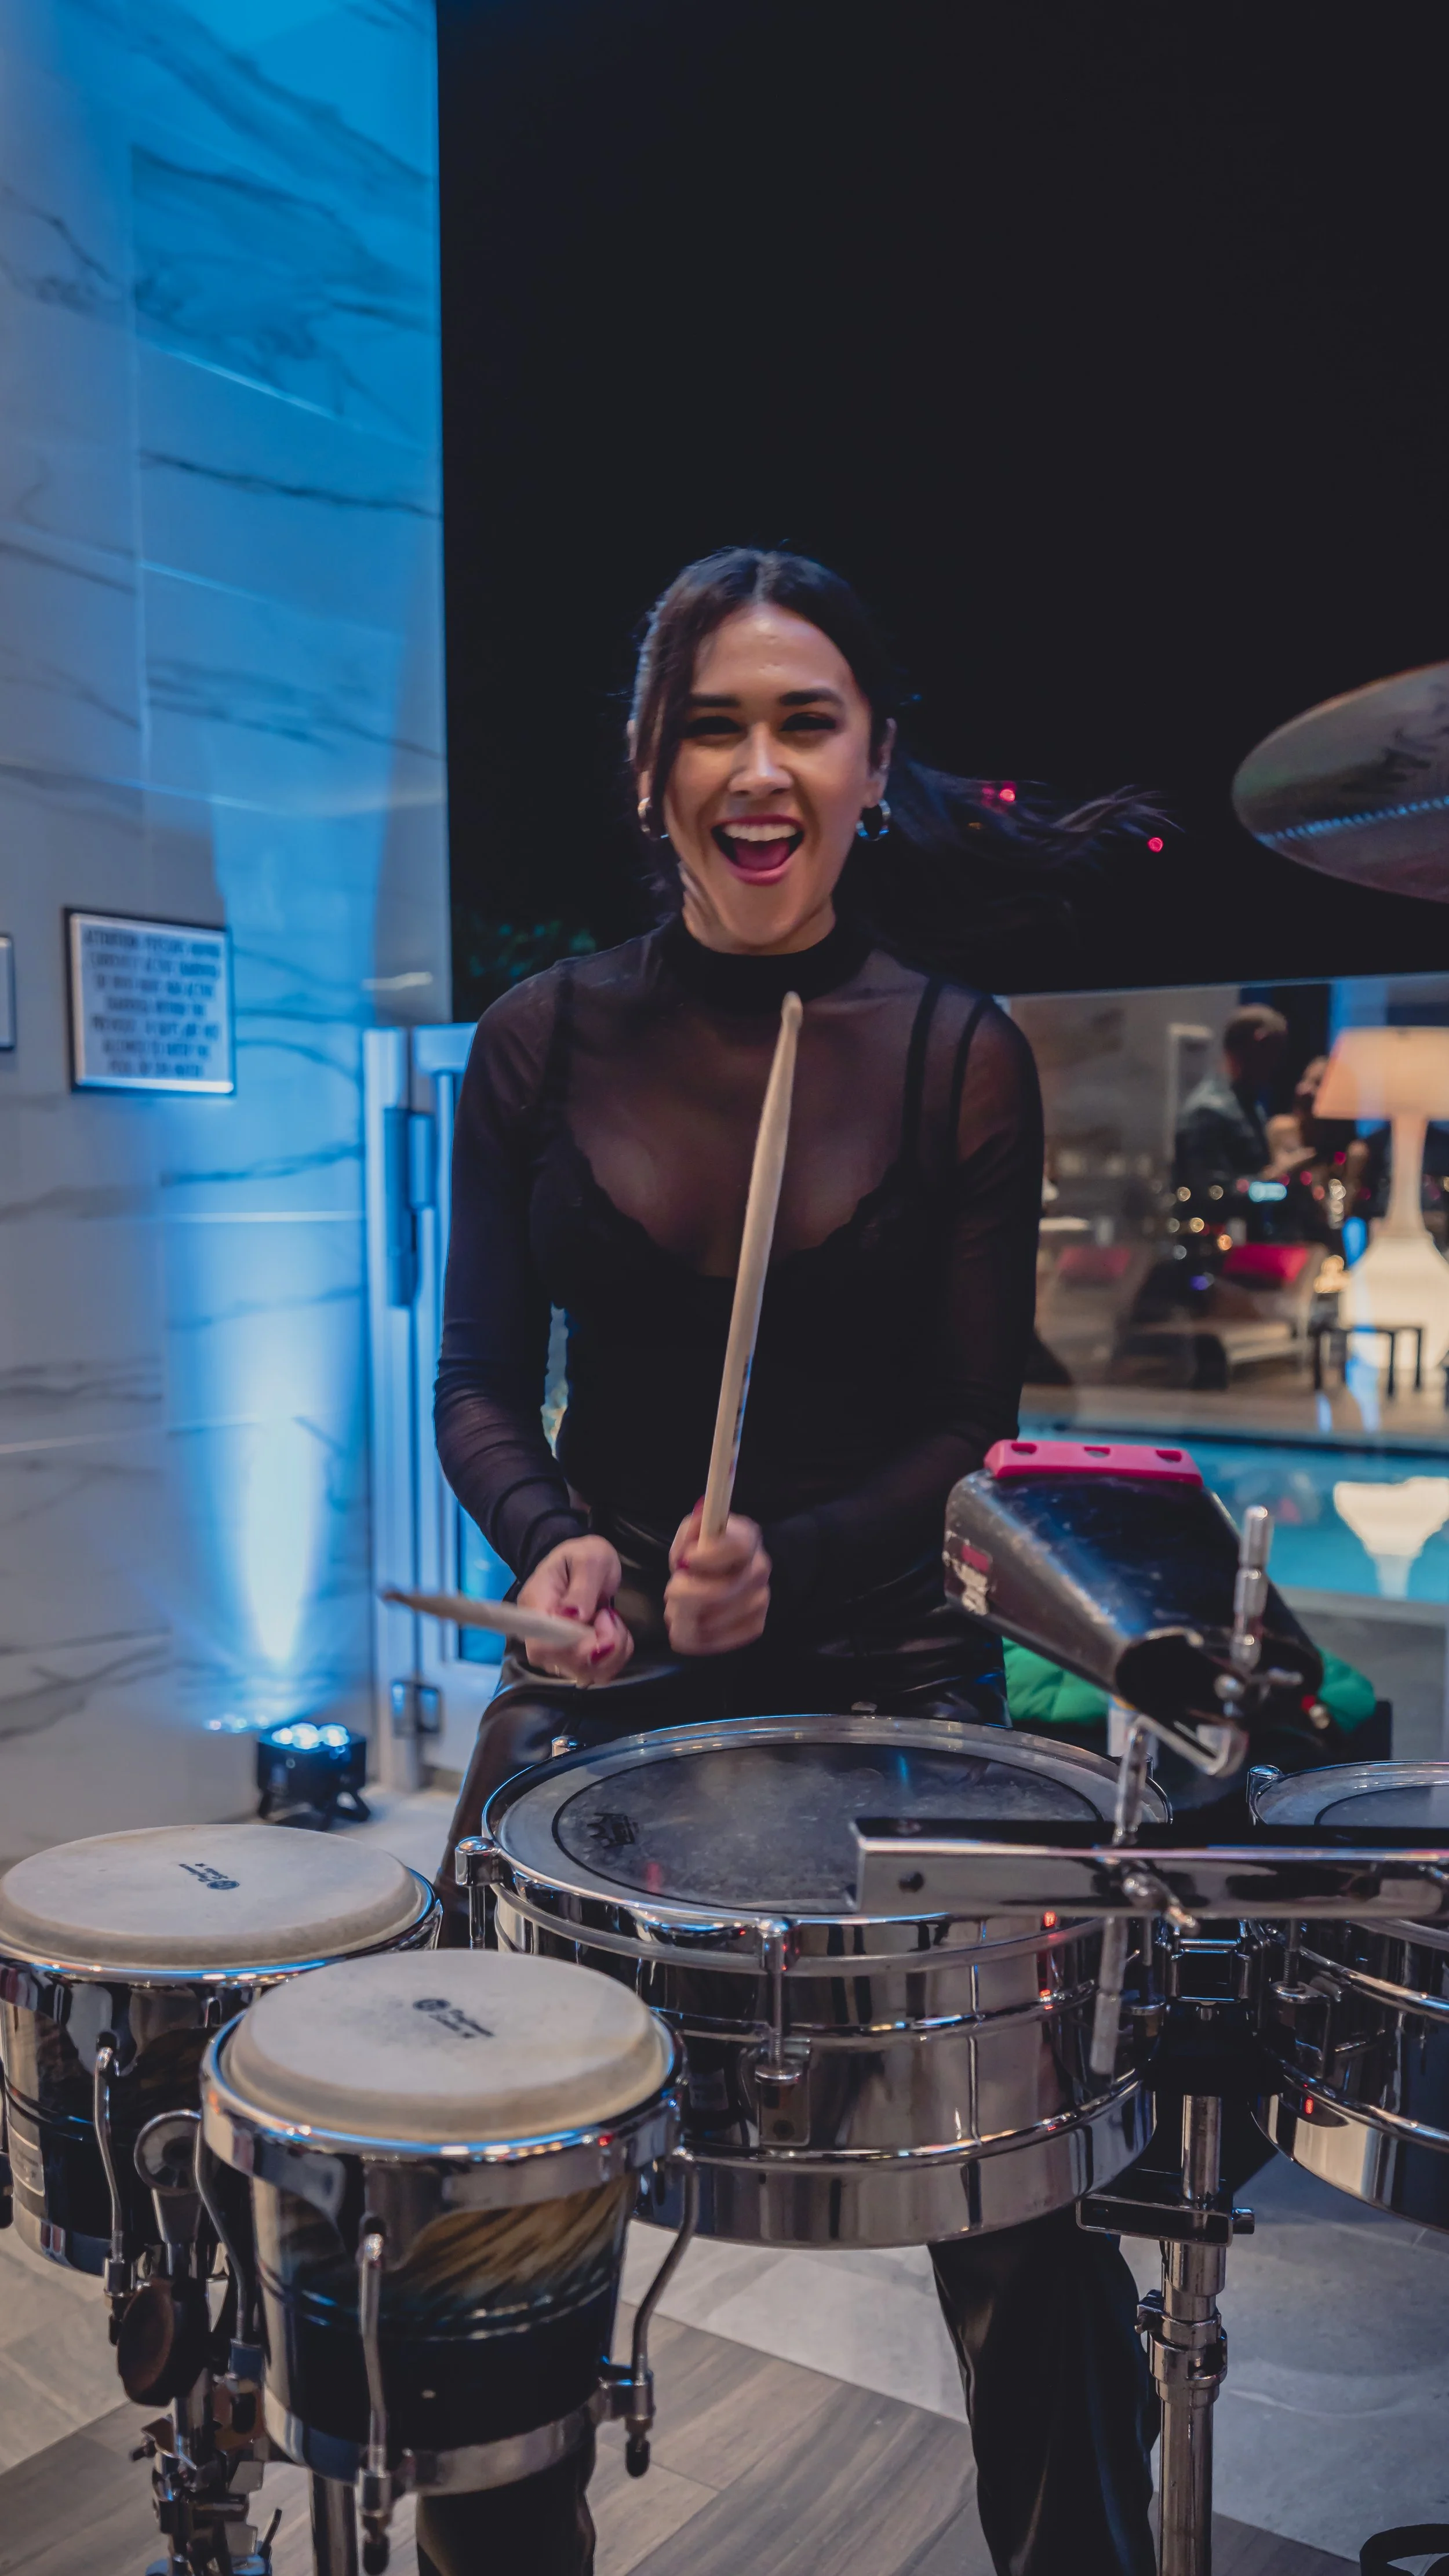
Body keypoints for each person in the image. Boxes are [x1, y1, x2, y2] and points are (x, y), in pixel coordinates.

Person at [427, 546, 1160, 2576]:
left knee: (1029, 2217)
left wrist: (806, 1556)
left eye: (804, 722)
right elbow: (479, 1379)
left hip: (890, 1676)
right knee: (485, 2188)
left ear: (874, 764)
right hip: (606, 1673)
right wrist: (558, 1539)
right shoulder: (535, 1042)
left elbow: (971, 1426)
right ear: (651, 765)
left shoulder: (957, 1056)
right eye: (715, 722)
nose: (759, 766)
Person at [1173, 1004, 1287, 1199]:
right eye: (1273, 1053)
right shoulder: (1208, 1111)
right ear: (1258, 1044)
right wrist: (1280, 1186)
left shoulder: (1249, 1106)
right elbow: (1215, 1192)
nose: (1276, 1065)